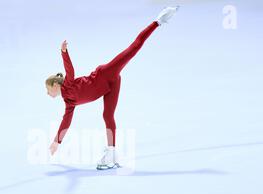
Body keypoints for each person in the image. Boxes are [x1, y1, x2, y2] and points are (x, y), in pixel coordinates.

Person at [46, 6, 179, 169]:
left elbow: (70, 70)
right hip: (111, 86)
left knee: (133, 49)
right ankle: (112, 152)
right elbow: (66, 122)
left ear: (54, 84)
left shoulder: (68, 84)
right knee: (108, 115)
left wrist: (64, 52)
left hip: (105, 74)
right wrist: (56, 142)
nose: (47, 93)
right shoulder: (69, 103)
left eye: (48, 90)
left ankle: (158, 21)